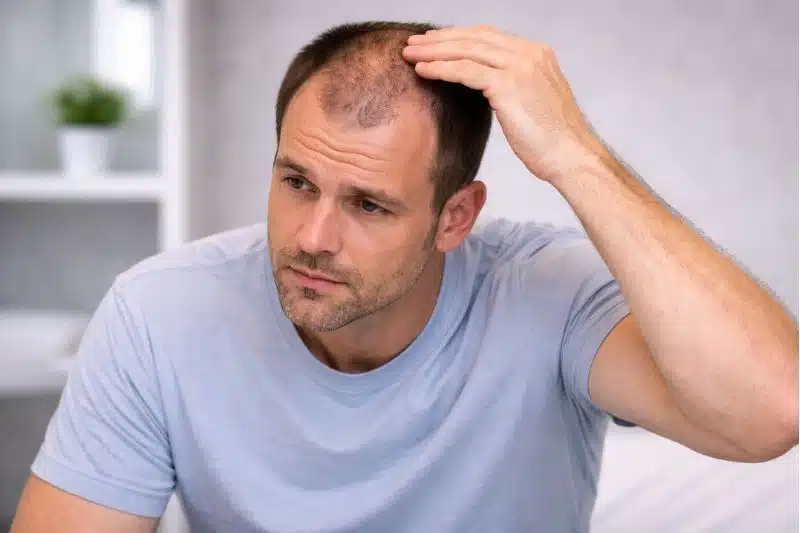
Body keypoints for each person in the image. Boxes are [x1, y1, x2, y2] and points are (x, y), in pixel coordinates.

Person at [11, 21, 798, 533]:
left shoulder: (549, 294)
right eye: (297, 182)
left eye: (369, 204)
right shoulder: (160, 312)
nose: (312, 238)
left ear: (455, 217)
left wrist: (575, 153)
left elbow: (771, 412)